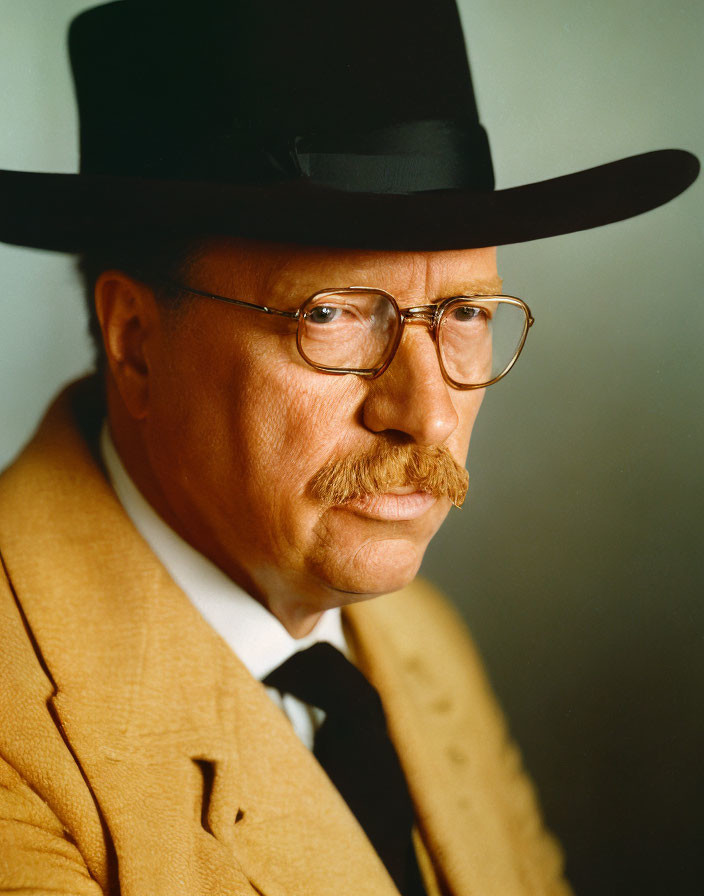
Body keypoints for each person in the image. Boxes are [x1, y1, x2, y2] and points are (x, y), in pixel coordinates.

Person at [0, 1, 697, 894]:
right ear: (136, 339)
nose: (430, 415)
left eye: (465, 314)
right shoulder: (21, 735)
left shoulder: (418, 644)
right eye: (328, 314)